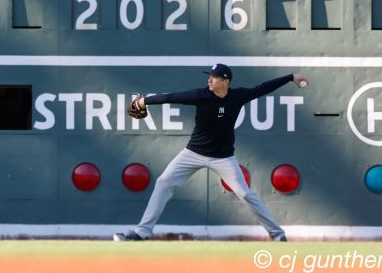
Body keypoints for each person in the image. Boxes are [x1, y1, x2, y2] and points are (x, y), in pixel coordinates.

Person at [114, 63, 308, 242]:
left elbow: (263, 88)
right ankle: (142, 232)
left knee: (245, 193)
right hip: (193, 153)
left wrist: (291, 77)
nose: (210, 79)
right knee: (164, 182)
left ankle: (278, 234)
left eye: (214, 77)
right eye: (210, 76)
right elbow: (172, 97)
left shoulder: (237, 96)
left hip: (223, 158)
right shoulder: (201, 95)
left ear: (226, 81)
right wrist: (144, 101)